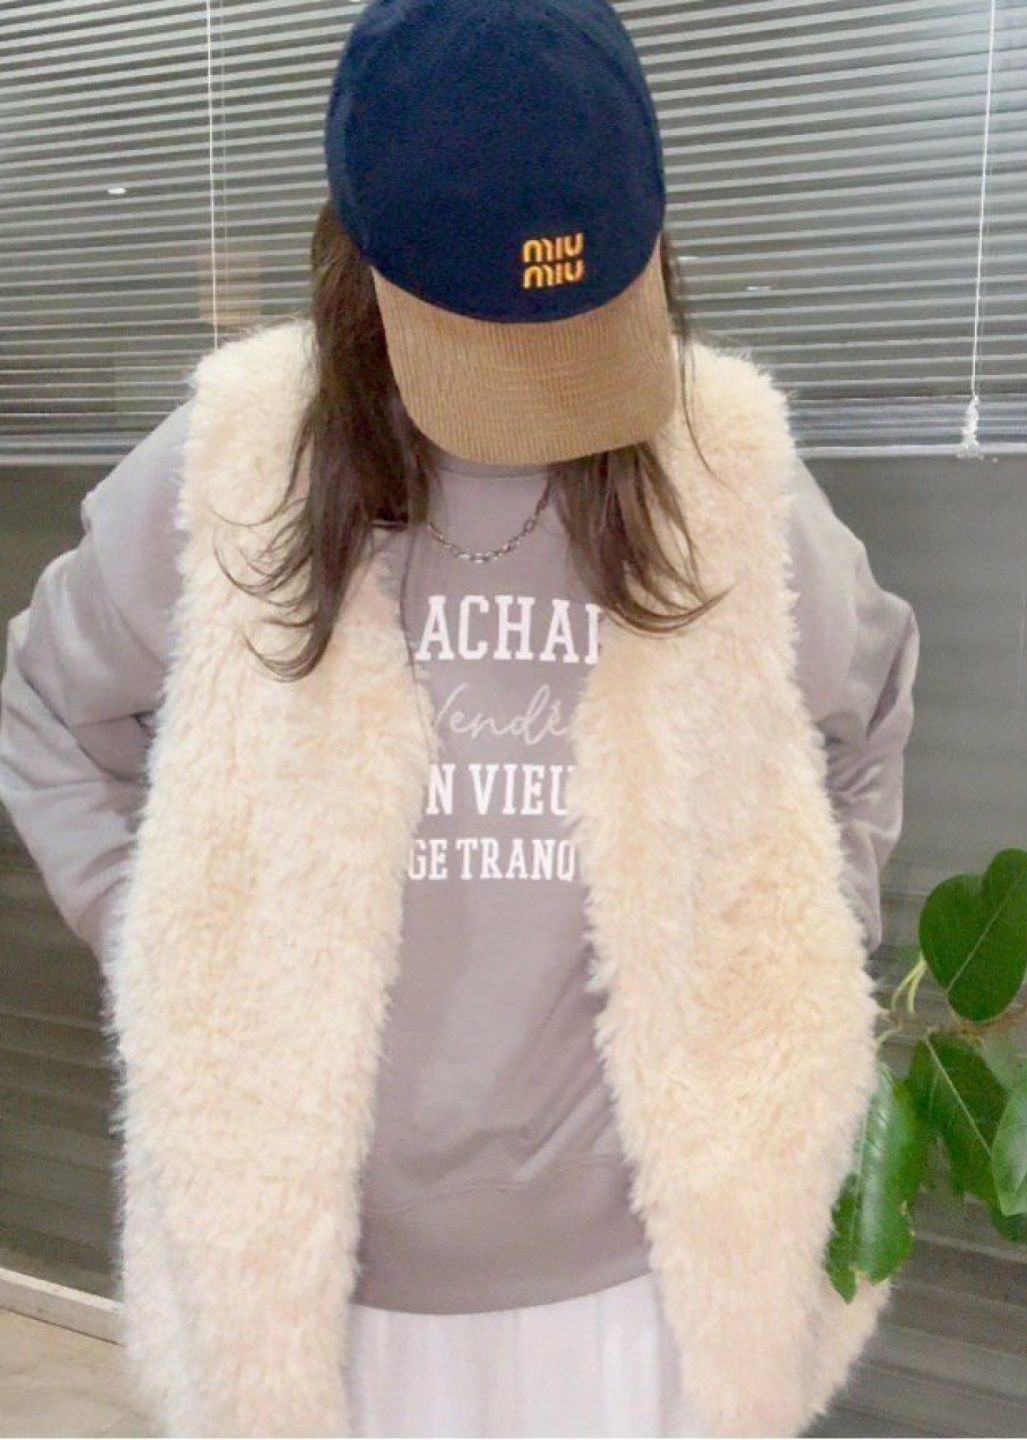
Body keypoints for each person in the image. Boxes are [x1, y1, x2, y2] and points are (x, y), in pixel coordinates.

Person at [0, 2, 920, 1437]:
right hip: (321, 1289)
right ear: (359, 265)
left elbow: (868, 706)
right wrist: (174, 949)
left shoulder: (715, 472)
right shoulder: (239, 462)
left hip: (639, 1283)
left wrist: (780, 952)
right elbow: (48, 706)